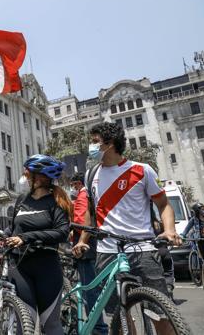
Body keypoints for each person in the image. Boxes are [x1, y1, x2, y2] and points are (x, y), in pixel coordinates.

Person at [73, 122, 182, 317]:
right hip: (106, 252)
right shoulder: (91, 175)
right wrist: (82, 241)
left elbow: (163, 204)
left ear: (110, 144)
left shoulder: (142, 170)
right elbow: (90, 213)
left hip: (144, 250)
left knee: (160, 312)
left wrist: (170, 230)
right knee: (118, 315)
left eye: (95, 141)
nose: (92, 146)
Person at [1, 154, 70, 335]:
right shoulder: (21, 200)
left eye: (28, 172)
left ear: (41, 176)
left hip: (47, 266)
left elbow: (62, 233)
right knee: (22, 325)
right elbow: (13, 229)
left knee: (51, 325)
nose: (25, 175)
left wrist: (27, 237)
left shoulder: (57, 200)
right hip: (20, 266)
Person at [69, 173, 108, 335]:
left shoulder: (83, 195)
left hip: (84, 245)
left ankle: (97, 327)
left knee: (88, 289)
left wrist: (70, 228)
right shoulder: (90, 194)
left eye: (73, 185)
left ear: (78, 184)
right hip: (93, 245)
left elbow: (80, 220)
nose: (73, 189)